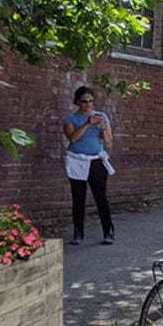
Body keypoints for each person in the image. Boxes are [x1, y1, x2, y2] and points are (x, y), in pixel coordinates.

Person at [63, 85, 115, 245]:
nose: (88, 105)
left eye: (91, 101)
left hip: (96, 161)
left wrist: (103, 126)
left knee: (101, 197)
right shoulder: (71, 119)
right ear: (77, 102)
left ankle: (108, 232)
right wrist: (87, 123)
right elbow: (72, 138)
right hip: (77, 160)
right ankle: (78, 233)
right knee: (78, 198)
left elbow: (108, 140)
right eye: (84, 102)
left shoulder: (101, 116)